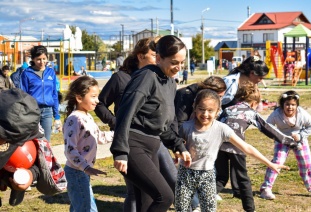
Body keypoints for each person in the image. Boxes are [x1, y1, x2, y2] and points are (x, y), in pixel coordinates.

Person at [95, 37, 178, 212]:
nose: (156, 58)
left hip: (155, 138)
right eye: (153, 54)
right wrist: (115, 123)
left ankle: (190, 204)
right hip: (129, 140)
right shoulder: (122, 78)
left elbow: (167, 114)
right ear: (141, 56)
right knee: (141, 192)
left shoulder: (163, 79)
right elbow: (102, 104)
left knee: (154, 191)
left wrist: (177, 143)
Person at [111, 35, 191, 212]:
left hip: (152, 145)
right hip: (133, 145)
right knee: (165, 196)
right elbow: (125, 112)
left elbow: (163, 123)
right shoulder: (146, 76)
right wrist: (120, 152)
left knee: (146, 203)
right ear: (159, 58)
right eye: (174, 62)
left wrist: (178, 145)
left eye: (182, 63)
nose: (178, 68)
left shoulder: (170, 82)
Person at [175, 89, 289, 211]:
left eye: (210, 110)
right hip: (185, 173)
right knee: (182, 208)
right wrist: (178, 154)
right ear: (195, 107)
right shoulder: (186, 127)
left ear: (218, 111)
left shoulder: (222, 129)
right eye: (201, 109)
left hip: (207, 175)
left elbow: (247, 148)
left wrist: (270, 164)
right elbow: (178, 147)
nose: (205, 114)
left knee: (209, 209)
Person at [215, 82, 296, 211]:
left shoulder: (227, 109)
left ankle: (199, 197)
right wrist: (289, 141)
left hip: (219, 145)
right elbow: (268, 129)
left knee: (221, 177)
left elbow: (216, 124)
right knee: (243, 179)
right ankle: (250, 209)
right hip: (237, 146)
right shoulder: (250, 112)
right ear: (254, 103)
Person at [0, 88, 66, 207]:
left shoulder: (24, 128)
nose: (5, 142)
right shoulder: (6, 120)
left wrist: (30, 175)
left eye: (7, 140)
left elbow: (37, 163)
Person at [173, 76, 227, 211]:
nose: (219, 100)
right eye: (218, 96)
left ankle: (198, 201)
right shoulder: (185, 96)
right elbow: (178, 124)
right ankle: (195, 203)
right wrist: (180, 148)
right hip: (181, 145)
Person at [260, 90, 311, 200]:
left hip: (299, 139)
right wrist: (277, 135)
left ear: (297, 105)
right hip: (282, 140)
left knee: (306, 163)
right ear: (282, 105)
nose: (290, 107)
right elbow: (267, 126)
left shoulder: (302, 114)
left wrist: (301, 135)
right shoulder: (276, 114)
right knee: (277, 161)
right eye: (287, 104)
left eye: (293, 105)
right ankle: (266, 188)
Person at [220, 55, 269, 197]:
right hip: (221, 123)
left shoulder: (249, 83)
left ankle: (238, 190)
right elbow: (216, 102)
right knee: (223, 159)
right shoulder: (230, 81)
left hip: (234, 126)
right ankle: (214, 187)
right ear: (252, 74)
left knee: (238, 155)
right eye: (260, 77)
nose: (261, 81)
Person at [63, 76, 113, 211]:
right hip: (77, 172)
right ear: (79, 98)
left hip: (82, 172)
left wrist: (118, 134)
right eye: (93, 96)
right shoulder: (74, 119)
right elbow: (70, 150)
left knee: (80, 207)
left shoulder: (87, 116)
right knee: (87, 209)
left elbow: (98, 137)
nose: (97, 101)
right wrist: (85, 167)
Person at [20, 45, 61, 142]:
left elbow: (54, 94)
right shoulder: (26, 74)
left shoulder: (51, 72)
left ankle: (44, 158)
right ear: (33, 59)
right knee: (32, 142)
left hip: (47, 112)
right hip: (32, 112)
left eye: (44, 59)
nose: (42, 62)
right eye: (38, 59)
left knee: (45, 142)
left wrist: (57, 116)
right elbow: (23, 95)